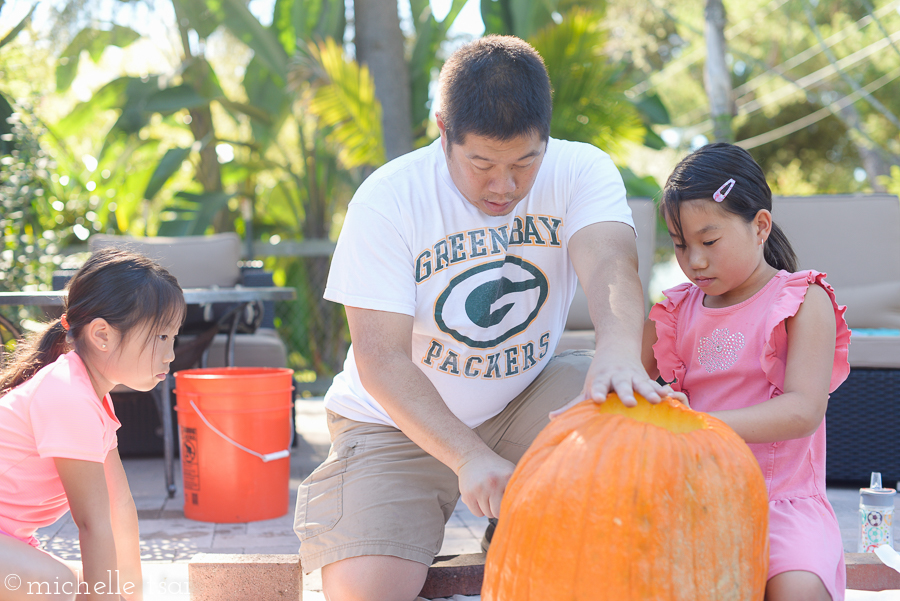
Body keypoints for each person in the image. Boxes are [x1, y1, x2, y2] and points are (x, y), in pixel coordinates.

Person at [294, 35, 673, 600]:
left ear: (547, 134)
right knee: (368, 593)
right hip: (396, 422)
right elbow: (380, 360)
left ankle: (517, 524)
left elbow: (611, 267)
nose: (504, 186)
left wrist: (619, 353)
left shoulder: (581, 168)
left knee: (625, 418)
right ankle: (483, 498)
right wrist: (468, 457)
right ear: (442, 129)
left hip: (524, 399)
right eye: (482, 164)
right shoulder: (388, 198)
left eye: (525, 161)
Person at [642, 142, 850, 601]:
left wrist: (699, 424)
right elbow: (628, 381)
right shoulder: (675, 309)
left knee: (797, 590)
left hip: (782, 507)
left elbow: (803, 410)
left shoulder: (800, 300)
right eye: (680, 245)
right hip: (695, 504)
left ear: (759, 226)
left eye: (709, 242)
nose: (694, 260)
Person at [0, 248, 185, 601]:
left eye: (173, 337)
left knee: (91, 584)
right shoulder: (67, 394)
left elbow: (119, 510)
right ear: (102, 335)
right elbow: (93, 524)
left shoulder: (89, 396)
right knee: (62, 585)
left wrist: (131, 597)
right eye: (161, 336)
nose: (171, 353)